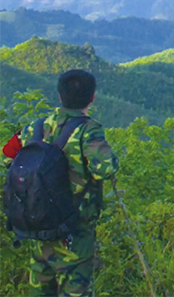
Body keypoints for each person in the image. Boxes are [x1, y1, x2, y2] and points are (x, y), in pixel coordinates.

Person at [2, 69, 119, 297]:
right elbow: (106, 169)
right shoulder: (88, 131)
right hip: (75, 231)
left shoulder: (36, 128)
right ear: (92, 97)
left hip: (37, 226)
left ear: (59, 96)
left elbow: (7, 154)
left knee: (39, 290)